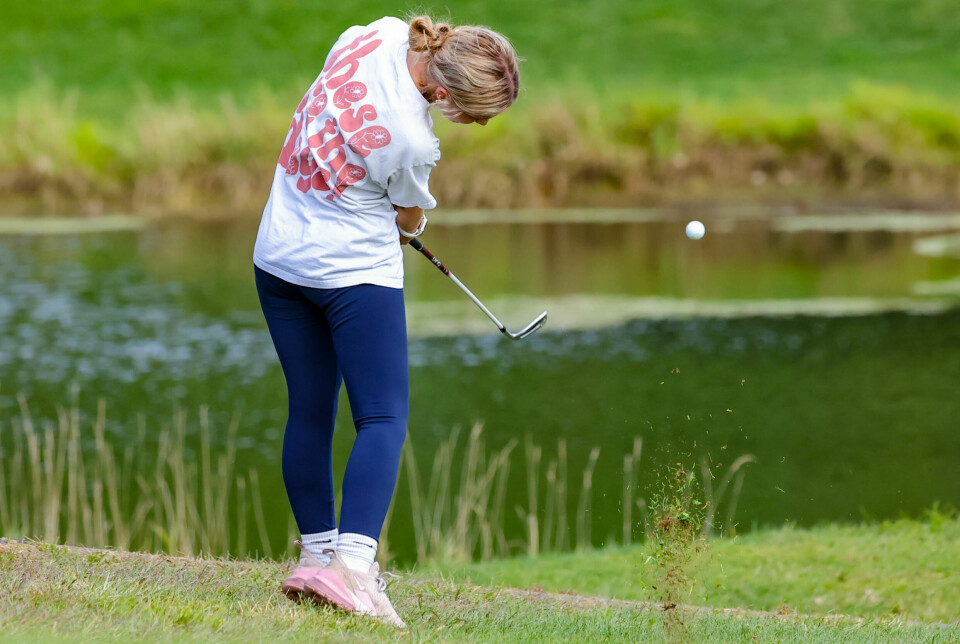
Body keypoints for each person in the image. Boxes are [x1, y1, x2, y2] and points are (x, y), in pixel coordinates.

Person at [253, 15, 520, 626]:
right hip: (352, 275)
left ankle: (315, 556)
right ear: (445, 93)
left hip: (278, 258)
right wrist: (415, 225)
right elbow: (407, 218)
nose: (477, 125)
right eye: (475, 114)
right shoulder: (413, 140)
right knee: (381, 416)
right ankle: (352, 568)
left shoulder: (375, 32)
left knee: (310, 409)